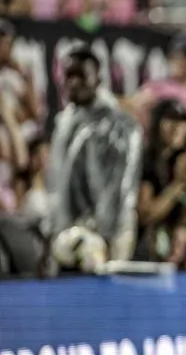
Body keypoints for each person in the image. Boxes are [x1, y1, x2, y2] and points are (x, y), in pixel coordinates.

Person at [47, 43, 143, 274]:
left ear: (98, 78)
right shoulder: (66, 121)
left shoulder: (116, 125)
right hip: (69, 235)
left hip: (101, 239)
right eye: (69, 75)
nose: (73, 82)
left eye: (81, 75)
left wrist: (106, 240)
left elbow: (118, 189)